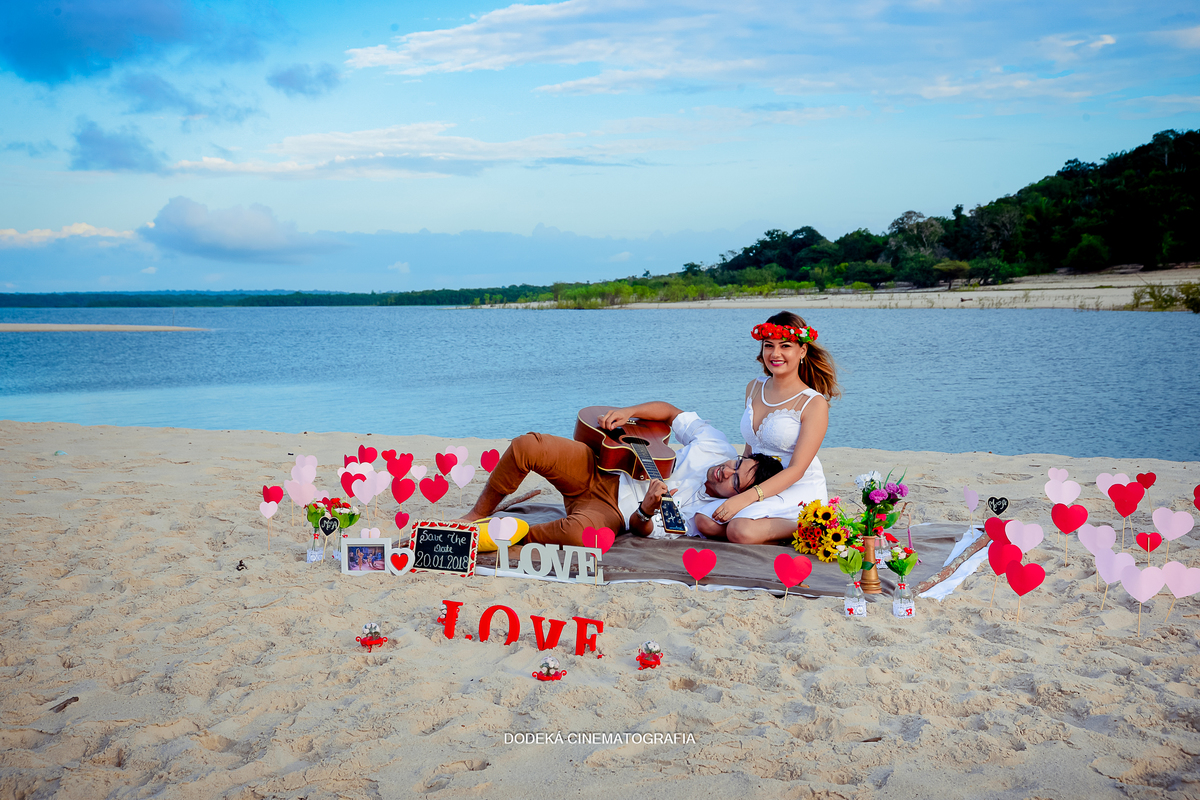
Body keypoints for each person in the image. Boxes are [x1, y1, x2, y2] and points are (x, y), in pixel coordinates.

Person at [454, 401, 783, 547]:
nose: (726, 470)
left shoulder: (706, 516)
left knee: (578, 536)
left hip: (609, 510)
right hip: (600, 465)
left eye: (735, 480)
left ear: (738, 496)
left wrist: (646, 509)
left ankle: (509, 533)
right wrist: (630, 412)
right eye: (736, 464)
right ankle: (477, 513)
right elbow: (669, 412)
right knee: (529, 445)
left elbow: (643, 529)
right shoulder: (716, 445)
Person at [695, 311, 840, 544]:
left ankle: (810, 526)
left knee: (739, 530)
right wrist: (739, 491)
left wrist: (746, 500)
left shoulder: (813, 402)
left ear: (802, 351)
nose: (775, 354)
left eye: (785, 346)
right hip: (758, 479)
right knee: (705, 520)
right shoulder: (754, 388)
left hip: (796, 484)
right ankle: (759, 528)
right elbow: (750, 451)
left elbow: (797, 470)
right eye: (768, 345)